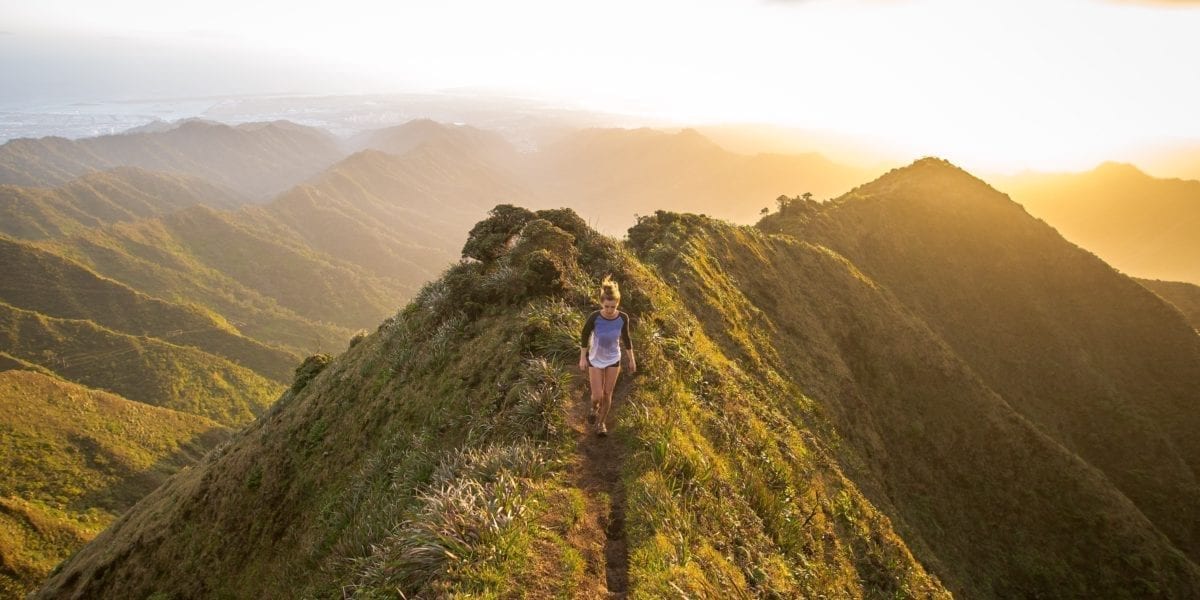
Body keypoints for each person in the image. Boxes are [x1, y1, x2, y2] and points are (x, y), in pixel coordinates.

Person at [579, 275, 636, 436]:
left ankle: (601, 424)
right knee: (597, 396)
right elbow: (584, 335)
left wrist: (631, 360)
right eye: (607, 306)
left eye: (613, 306)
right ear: (601, 303)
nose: (610, 310)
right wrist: (583, 357)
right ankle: (593, 408)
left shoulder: (623, 318)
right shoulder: (595, 317)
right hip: (595, 359)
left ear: (617, 304)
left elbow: (626, 338)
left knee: (607, 394)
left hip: (613, 359)